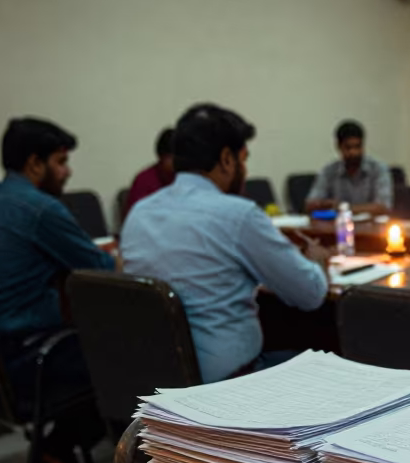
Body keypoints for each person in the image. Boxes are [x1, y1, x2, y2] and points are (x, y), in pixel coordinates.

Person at [121, 103, 328, 382]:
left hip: (158, 383)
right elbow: (310, 294)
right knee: (324, 360)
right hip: (230, 388)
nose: (244, 169)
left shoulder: (139, 213)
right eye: (243, 159)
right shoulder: (238, 215)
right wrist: (317, 260)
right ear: (227, 159)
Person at [0, 117, 116, 463]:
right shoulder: (40, 209)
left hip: (2, 360)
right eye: (60, 162)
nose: (67, 171)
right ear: (35, 163)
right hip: (33, 355)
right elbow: (101, 269)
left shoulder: (0, 199)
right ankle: (60, 447)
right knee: (129, 352)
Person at [306, 120, 392, 215]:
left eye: (358, 147)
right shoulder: (329, 171)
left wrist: (342, 208)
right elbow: (310, 205)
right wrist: (323, 204)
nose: (354, 152)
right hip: (336, 227)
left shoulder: (378, 169)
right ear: (338, 147)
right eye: (348, 148)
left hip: (371, 227)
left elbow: (383, 207)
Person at [124, 127, 176, 217]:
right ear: (162, 156)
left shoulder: (185, 177)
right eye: (173, 157)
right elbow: (136, 218)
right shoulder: (144, 181)